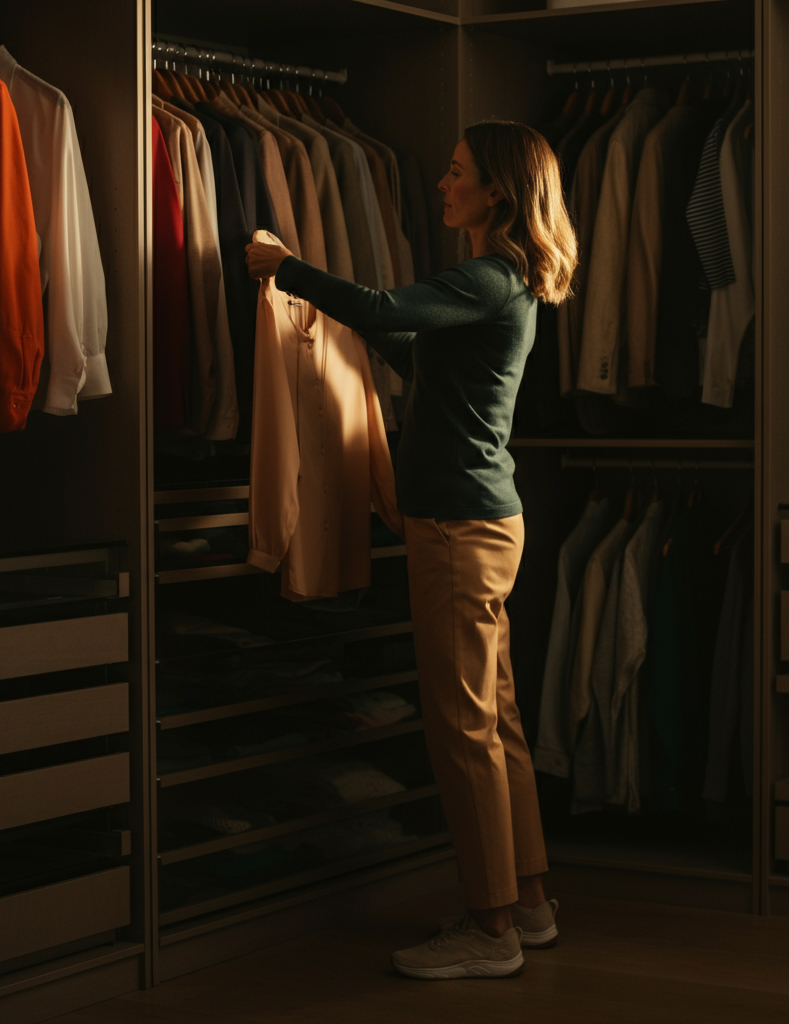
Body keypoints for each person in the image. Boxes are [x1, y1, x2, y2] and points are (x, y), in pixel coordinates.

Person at [246, 119, 577, 981]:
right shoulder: (503, 283)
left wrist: (288, 269)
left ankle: (490, 929)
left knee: (463, 730)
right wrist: (340, 316)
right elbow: (414, 353)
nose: (442, 184)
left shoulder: (487, 275)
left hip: (459, 530)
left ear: (496, 191)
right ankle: (527, 903)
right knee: (496, 722)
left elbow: (388, 309)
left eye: (457, 172)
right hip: (481, 522)